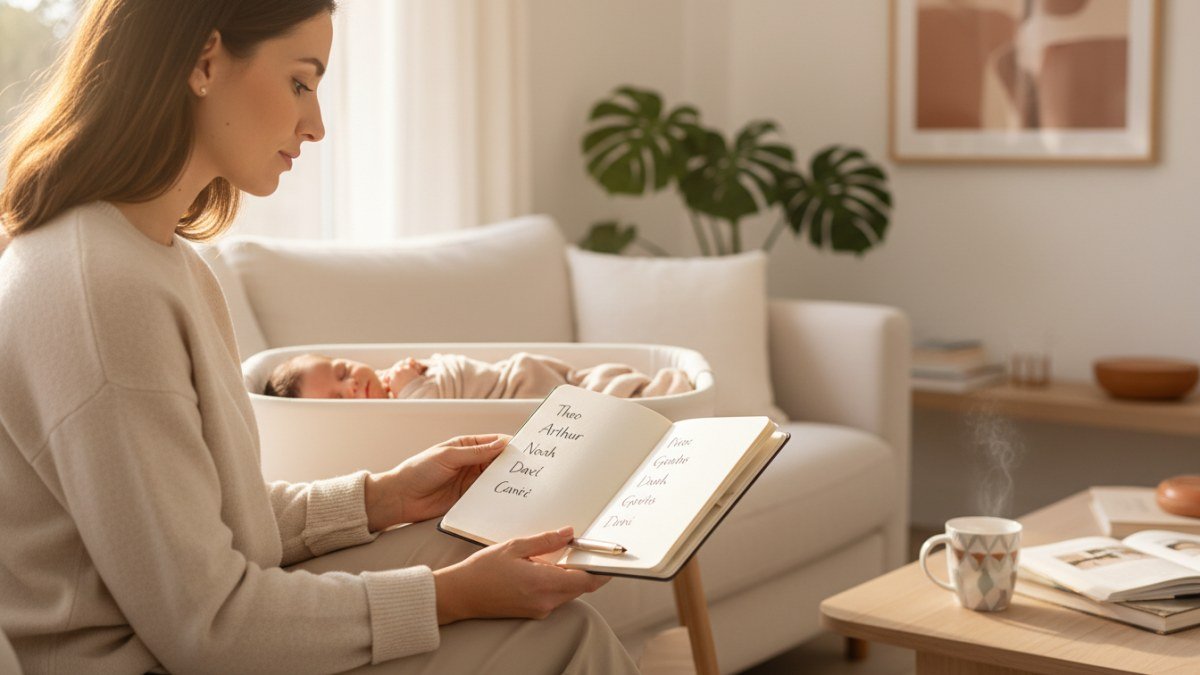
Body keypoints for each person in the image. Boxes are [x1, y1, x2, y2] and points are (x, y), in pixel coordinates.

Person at [0, 1, 638, 673]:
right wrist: (449, 599)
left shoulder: (161, 261)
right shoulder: (101, 288)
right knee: (562, 637)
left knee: (463, 546)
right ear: (204, 61)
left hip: (182, 635)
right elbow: (209, 626)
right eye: (300, 82)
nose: (317, 125)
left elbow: (206, 523)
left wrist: (384, 497)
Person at [263, 352, 695, 400]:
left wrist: (412, 371)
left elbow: (449, 369)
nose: (351, 383)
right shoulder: (398, 405)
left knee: (592, 379)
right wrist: (412, 384)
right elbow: (429, 418)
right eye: (340, 397)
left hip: (517, 373)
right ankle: (658, 395)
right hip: (525, 394)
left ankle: (654, 389)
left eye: (341, 371)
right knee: (596, 399)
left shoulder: (394, 375)